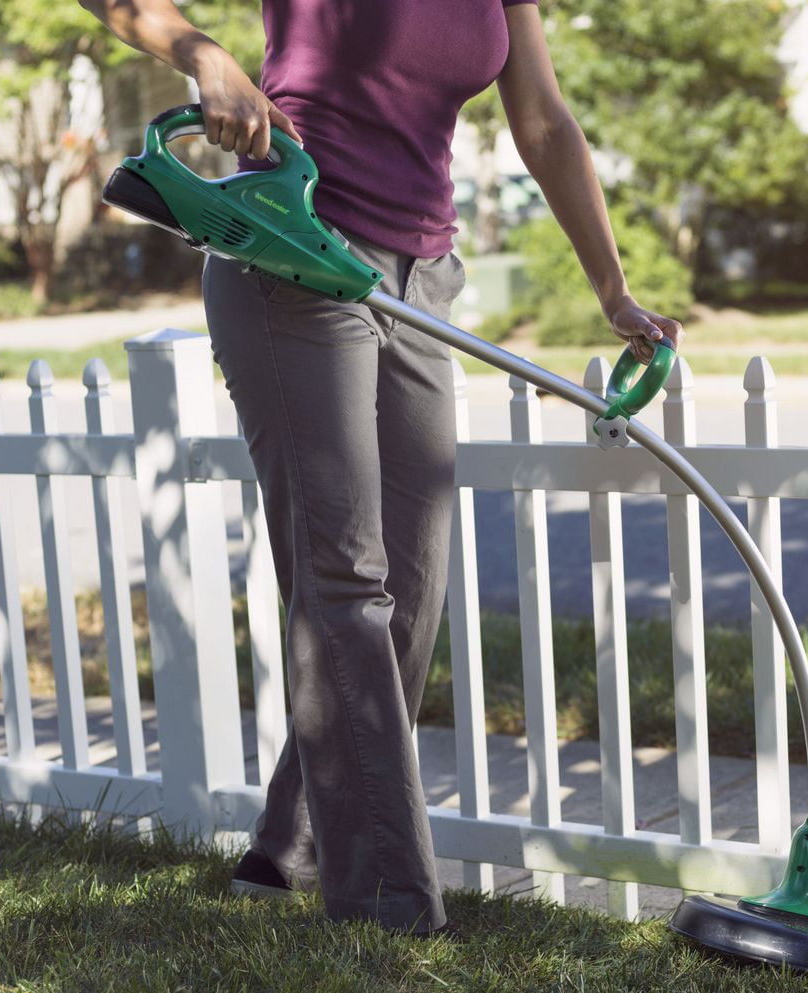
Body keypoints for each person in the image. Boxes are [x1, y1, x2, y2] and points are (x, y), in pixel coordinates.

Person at [82, 0, 683, 936]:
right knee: (344, 580)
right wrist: (206, 58)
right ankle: (389, 901)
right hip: (294, 251)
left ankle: (287, 851)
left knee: (409, 589)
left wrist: (612, 285)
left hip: (419, 280)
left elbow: (544, 121)